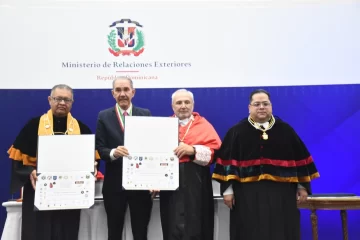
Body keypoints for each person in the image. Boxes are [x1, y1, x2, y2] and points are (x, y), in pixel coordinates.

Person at [212, 89, 320, 240]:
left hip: (282, 193)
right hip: (246, 194)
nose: (261, 107)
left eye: (265, 104)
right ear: (249, 107)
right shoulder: (236, 132)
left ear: (271, 106)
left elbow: (300, 159)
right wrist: (227, 191)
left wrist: (302, 187)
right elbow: (226, 164)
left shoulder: (286, 130)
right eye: (257, 104)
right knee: (249, 230)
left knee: (282, 230)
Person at [7, 84, 100, 240]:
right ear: (50, 100)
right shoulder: (33, 126)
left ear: (72, 102)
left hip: (69, 194)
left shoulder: (82, 129)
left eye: (66, 100)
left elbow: (92, 162)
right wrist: (31, 172)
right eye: (58, 99)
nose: (62, 103)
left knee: (67, 232)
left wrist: (92, 168)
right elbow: (19, 162)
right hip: (39, 193)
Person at [158, 89, 222, 240]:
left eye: (187, 102)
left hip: (196, 181)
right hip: (170, 182)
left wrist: (192, 150)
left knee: (196, 224)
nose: (183, 106)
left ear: (193, 104)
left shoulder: (203, 124)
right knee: (172, 224)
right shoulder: (163, 126)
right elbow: (155, 155)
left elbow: (215, 153)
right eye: (179, 103)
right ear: (172, 106)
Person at [95, 76, 153, 240]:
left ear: (133, 92)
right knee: (114, 231)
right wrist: (113, 152)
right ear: (112, 93)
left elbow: (152, 148)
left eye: (126, 89)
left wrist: (155, 180)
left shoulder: (145, 114)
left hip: (141, 184)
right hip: (114, 184)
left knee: (140, 232)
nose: (122, 94)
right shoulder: (104, 116)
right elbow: (100, 148)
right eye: (118, 90)